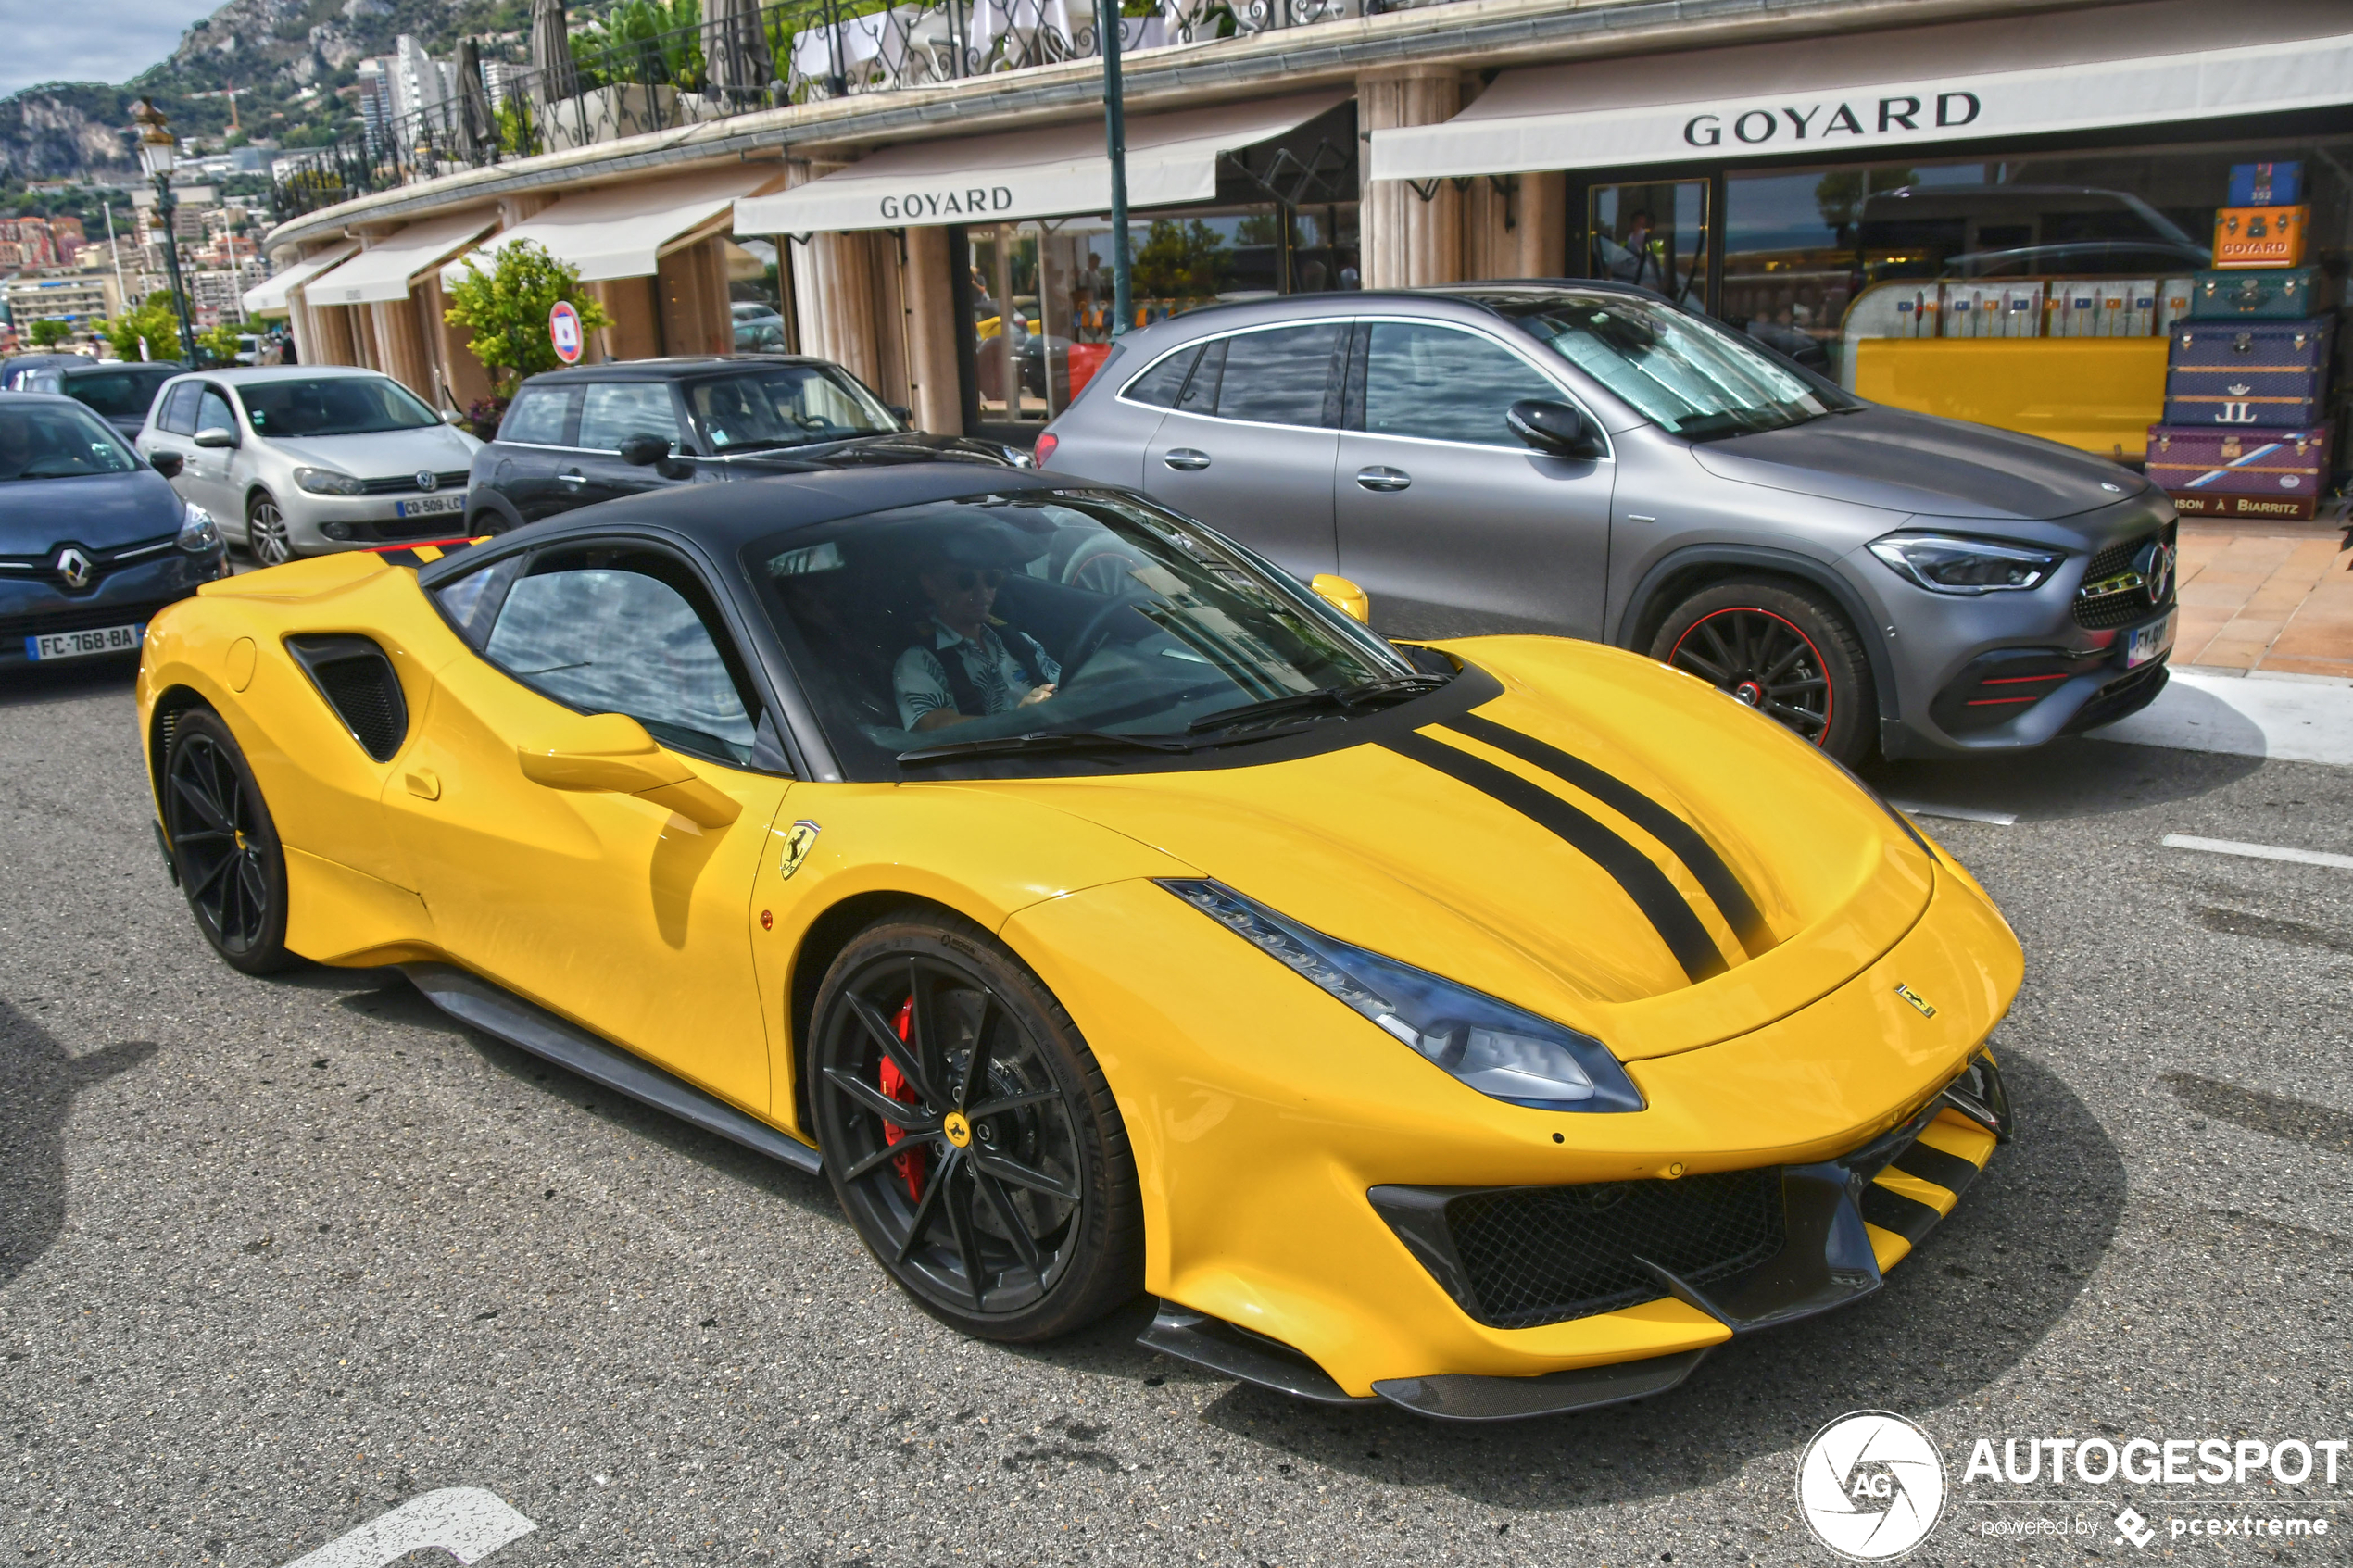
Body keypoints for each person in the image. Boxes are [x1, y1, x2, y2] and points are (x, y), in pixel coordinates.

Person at [893, 536, 1061, 731]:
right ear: (931, 585)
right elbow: (936, 726)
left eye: (991, 579)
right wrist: (1018, 720)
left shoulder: (1019, 642)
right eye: (966, 580)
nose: (982, 593)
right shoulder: (918, 662)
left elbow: (1067, 688)